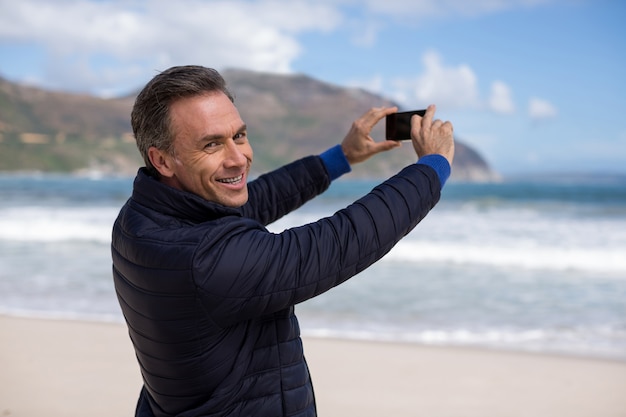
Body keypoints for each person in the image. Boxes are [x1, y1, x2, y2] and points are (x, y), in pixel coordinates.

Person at [112, 65, 454, 417]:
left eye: (240, 136)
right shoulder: (206, 260)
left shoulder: (138, 218)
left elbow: (254, 199)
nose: (238, 158)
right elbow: (339, 243)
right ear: (162, 160)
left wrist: (342, 157)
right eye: (211, 144)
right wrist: (432, 167)